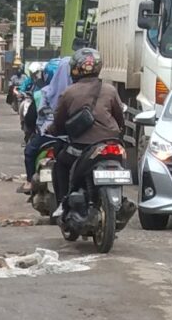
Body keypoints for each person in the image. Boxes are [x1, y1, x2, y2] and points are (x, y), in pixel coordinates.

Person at [45, 50, 125, 205]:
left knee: (60, 163)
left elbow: (59, 121)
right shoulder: (110, 90)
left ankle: (62, 204)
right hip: (111, 142)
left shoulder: (68, 93)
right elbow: (119, 117)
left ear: (75, 69)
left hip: (82, 147)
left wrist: (52, 130)